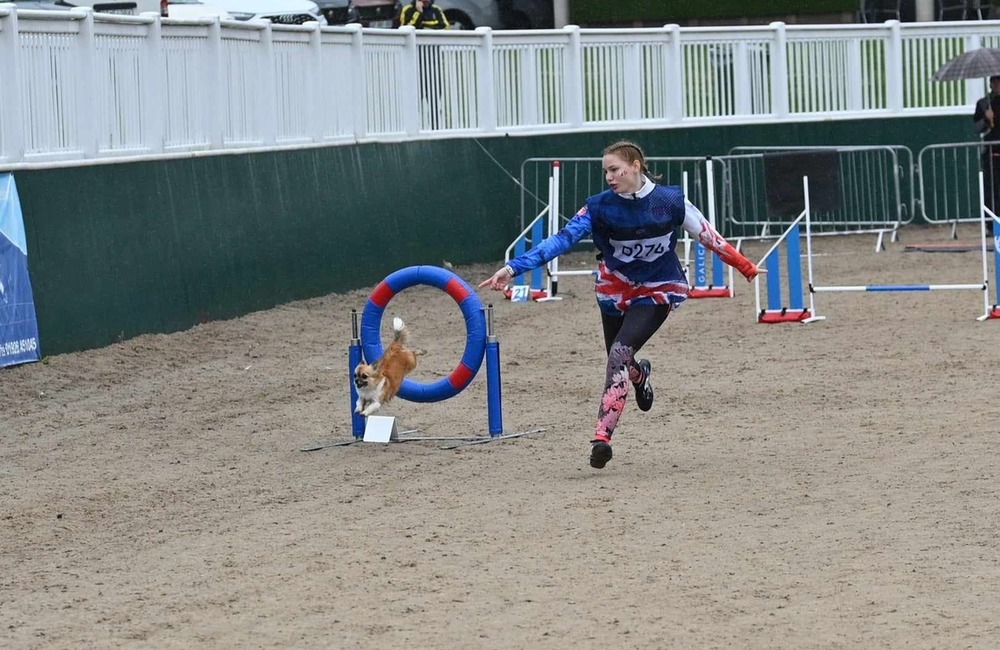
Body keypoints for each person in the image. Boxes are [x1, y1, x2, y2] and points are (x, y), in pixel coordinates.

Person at [479, 141, 760, 470]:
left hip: (658, 289)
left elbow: (708, 236)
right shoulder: (598, 208)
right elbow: (561, 240)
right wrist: (513, 268)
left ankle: (602, 438)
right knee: (620, 359)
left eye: (615, 169)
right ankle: (640, 376)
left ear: (636, 166)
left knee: (618, 354)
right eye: (605, 172)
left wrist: (746, 267)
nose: (609, 177)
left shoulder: (670, 201)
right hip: (613, 291)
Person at [398, 0, 449, 129]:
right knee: (414, 96)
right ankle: (413, 127)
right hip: (414, 60)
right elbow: (406, 28)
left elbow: (444, 26)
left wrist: (424, 26)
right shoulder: (408, 10)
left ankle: (435, 127)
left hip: (433, 60)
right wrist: (418, 14)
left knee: (434, 95)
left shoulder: (436, 10)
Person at [973, 75, 1000, 235]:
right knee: (991, 189)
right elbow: (977, 128)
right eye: (995, 82)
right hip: (991, 152)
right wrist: (986, 118)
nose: (997, 85)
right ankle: (992, 226)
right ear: (990, 84)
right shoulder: (983, 104)